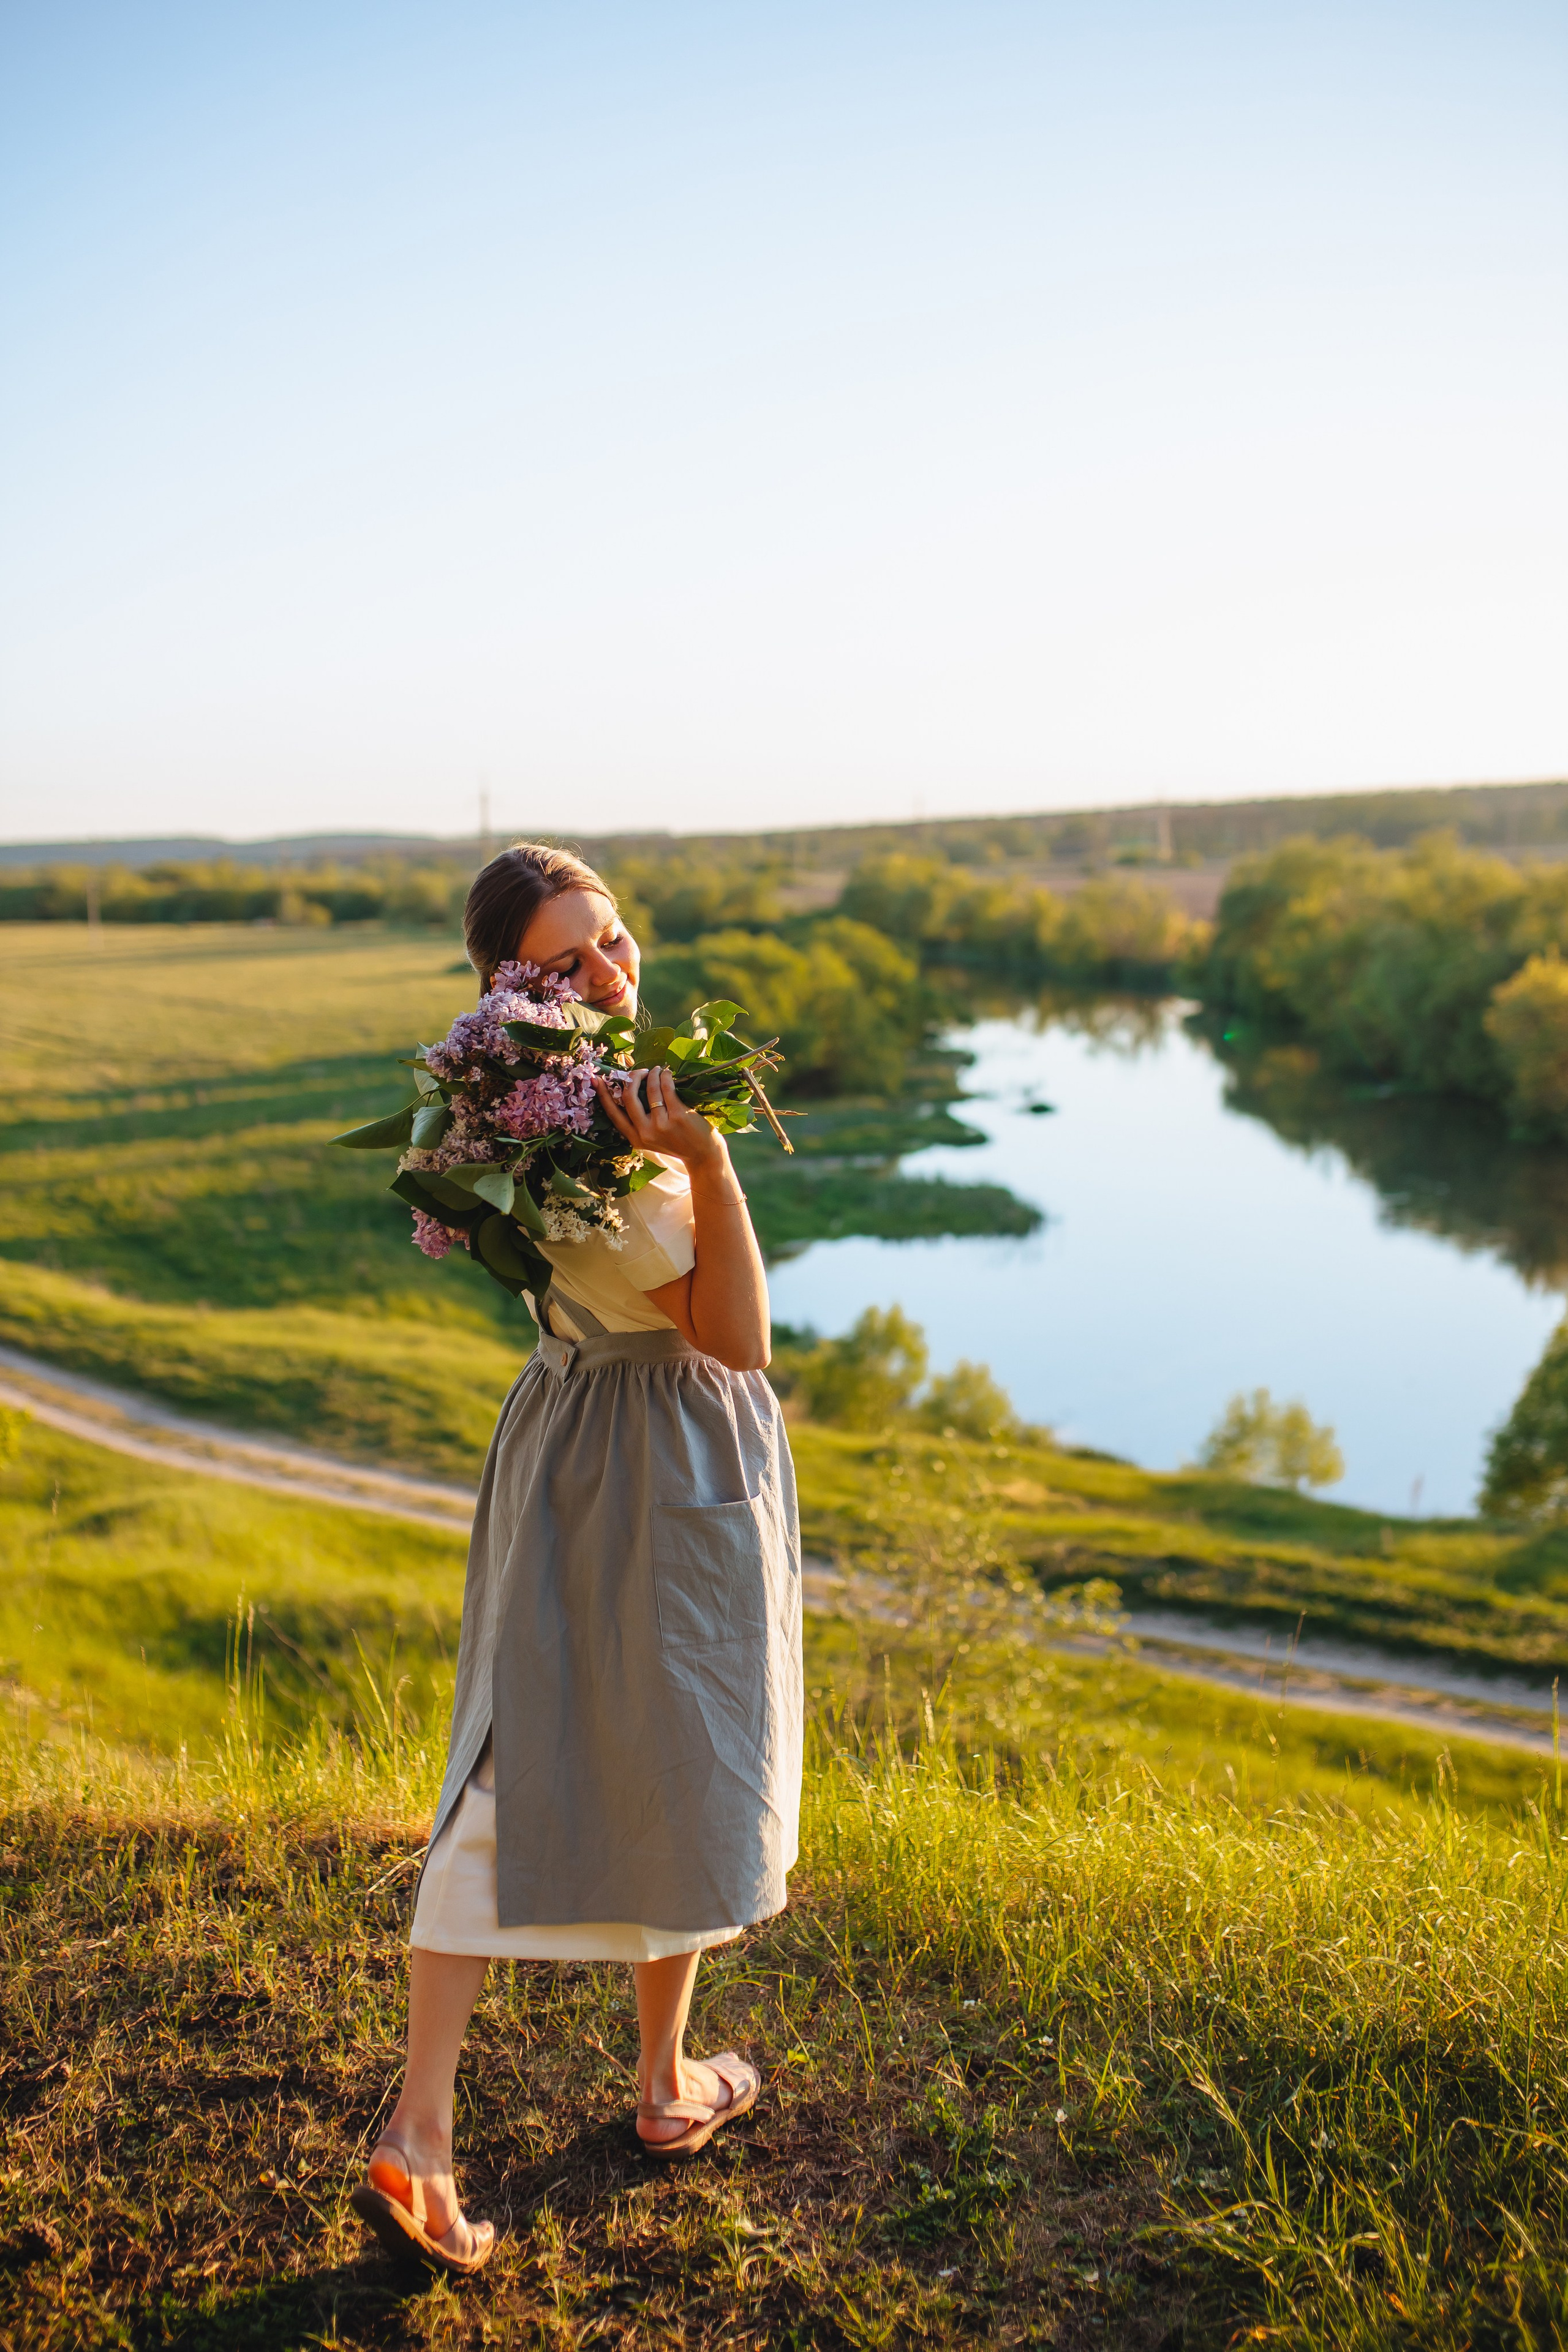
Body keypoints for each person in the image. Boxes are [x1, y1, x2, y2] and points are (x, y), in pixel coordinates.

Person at [352, 843, 802, 2275]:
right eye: (569, 961)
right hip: (659, 1449)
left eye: (612, 940)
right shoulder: (591, 1150)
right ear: (508, 988)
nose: (610, 973)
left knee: (553, 1738)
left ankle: (621, 2091)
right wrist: (710, 1158)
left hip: (566, 1427)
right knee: (633, 1741)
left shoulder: (511, 1112)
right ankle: (444, 2130)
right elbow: (735, 1341)